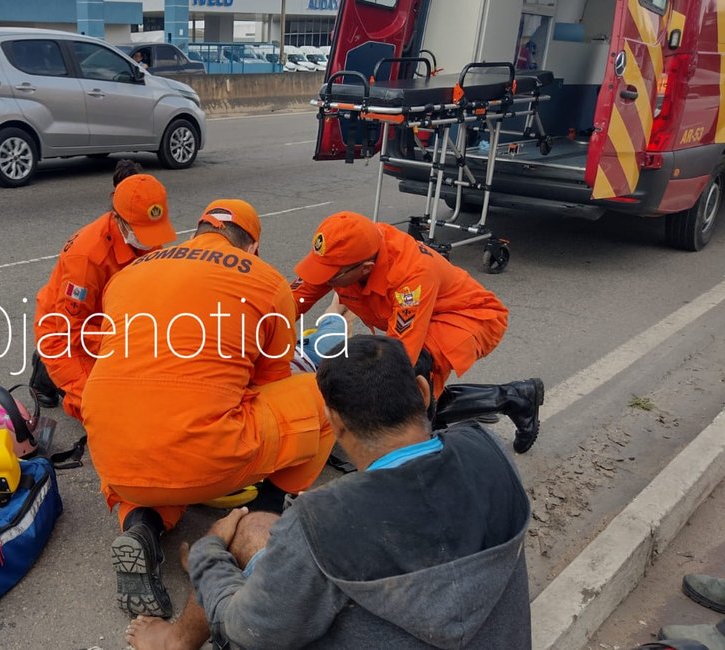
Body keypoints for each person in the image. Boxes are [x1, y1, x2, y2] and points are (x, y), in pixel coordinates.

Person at [126, 335, 533, 650]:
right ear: (424, 393)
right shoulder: (490, 450)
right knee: (260, 529)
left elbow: (249, 630)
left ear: (334, 423)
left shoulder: (323, 522)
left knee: (237, 552)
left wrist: (207, 554)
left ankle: (177, 636)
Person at [81, 199, 334, 618]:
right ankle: (261, 515)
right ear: (251, 247)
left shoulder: (127, 275)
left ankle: (141, 524)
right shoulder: (266, 281)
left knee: (152, 451)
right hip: (205, 456)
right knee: (319, 395)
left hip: (114, 456)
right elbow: (271, 384)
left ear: (196, 232)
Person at [292, 210, 544, 452]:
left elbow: (402, 357)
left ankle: (421, 456)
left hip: (470, 317)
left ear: (365, 268)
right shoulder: (343, 252)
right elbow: (291, 301)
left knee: (406, 387)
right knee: (404, 389)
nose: (323, 279)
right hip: (426, 316)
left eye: (331, 276)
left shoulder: (410, 274)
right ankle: (515, 397)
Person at [29, 163, 174, 419]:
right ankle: (46, 372)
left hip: (111, 322)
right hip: (66, 333)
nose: (151, 241)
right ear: (118, 217)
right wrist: (120, 340)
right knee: (103, 408)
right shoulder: (87, 257)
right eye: (143, 232)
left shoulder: (144, 230)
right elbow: (71, 329)